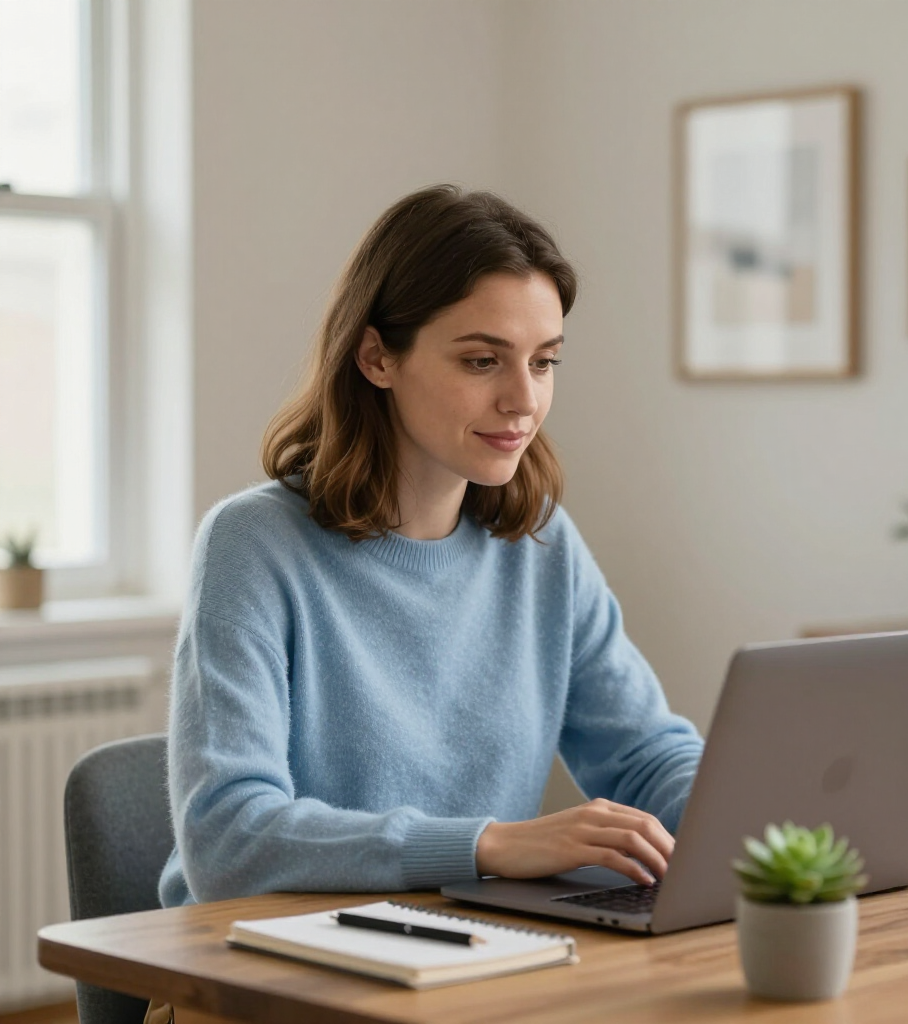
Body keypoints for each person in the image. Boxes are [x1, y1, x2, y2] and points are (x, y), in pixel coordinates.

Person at [158, 184, 705, 909]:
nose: (523, 400)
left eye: (544, 362)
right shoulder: (251, 546)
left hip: (466, 950)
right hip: (254, 972)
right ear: (377, 357)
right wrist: (488, 846)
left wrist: (758, 821)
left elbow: (645, 756)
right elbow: (229, 839)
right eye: (483, 361)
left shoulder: (541, 544)